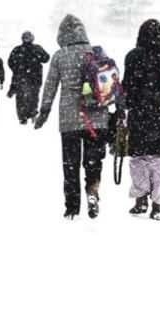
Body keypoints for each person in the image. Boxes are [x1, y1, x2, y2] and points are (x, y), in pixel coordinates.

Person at [35, 14, 109, 220]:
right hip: (98, 118)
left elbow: (50, 86)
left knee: (70, 164)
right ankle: (92, 190)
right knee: (93, 161)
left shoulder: (60, 56)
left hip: (69, 119)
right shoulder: (96, 52)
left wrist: (44, 112)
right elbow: (109, 84)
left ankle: (72, 207)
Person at [122, 19, 160, 221]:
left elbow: (127, 88)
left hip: (140, 116)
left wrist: (126, 106)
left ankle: (140, 200)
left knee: (139, 159)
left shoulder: (133, 57)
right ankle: (158, 205)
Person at [7, 31, 50, 125]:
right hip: (34, 78)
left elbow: (10, 62)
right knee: (33, 97)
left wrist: (17, 69)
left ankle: (23, 117)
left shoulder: (17, 50)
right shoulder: (36, 48)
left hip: (21, 78)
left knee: (21, 98)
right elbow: (46, 58)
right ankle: (32, 113)